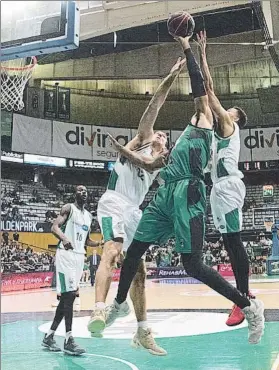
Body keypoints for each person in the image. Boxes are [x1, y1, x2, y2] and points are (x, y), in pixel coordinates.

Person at [105, 33, 265, 348]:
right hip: (166, 194)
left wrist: (188, 46)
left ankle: (249, 307)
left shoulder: (206, 120)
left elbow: (201, 86)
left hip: (190, 193)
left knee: (192, 264)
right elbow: (148, 163)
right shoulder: (189, 136)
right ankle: (121, 302)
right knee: (135, 249)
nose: (221, 109)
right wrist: (124, 151)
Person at [87, 57, 186, 355]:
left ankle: (143, 331)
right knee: (112, 250)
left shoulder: (158, 161)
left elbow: (153, 162)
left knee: (139, 271)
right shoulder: (142, 138)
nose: (161, 135)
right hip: (114, 203)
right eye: (159, 132)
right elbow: (154, 104)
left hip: (134, 212)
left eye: (165, 137)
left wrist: (126, 152)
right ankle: (99, 310)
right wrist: (171, 76)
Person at [196, 30, 253, 326]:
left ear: (235, 118)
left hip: (229, 186)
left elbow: (209, 89)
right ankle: (244, 294)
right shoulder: (219, 136)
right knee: (229, 242)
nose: (224, 111)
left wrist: (203, 53)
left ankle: (242, 299)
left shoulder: (230, 124)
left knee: (234, 240)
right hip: (217, 188)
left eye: (229, 111)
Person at [42, 185, 102, 355]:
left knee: (68, 298)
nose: (84, 192)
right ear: (75, 194)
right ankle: (69, 339)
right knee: (68, 296)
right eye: (80, 190)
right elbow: (54, 227)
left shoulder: (89, 216)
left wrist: (99, 243)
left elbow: (86, 240)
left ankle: (49, 336)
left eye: (86, 191)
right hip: (65, 255)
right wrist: (64, 238)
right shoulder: (69, 208)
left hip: (79, 257)